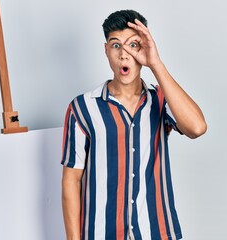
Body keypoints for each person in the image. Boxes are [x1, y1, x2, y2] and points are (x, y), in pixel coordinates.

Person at [61, 9, 207, 240]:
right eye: (116, 45)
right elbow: (71, 180)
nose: (124, 55)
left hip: (156, 232)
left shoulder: (161, 99)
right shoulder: (82, 108)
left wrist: (156, 64)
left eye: (133, 45)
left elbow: (197, 128)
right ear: (106, 50)